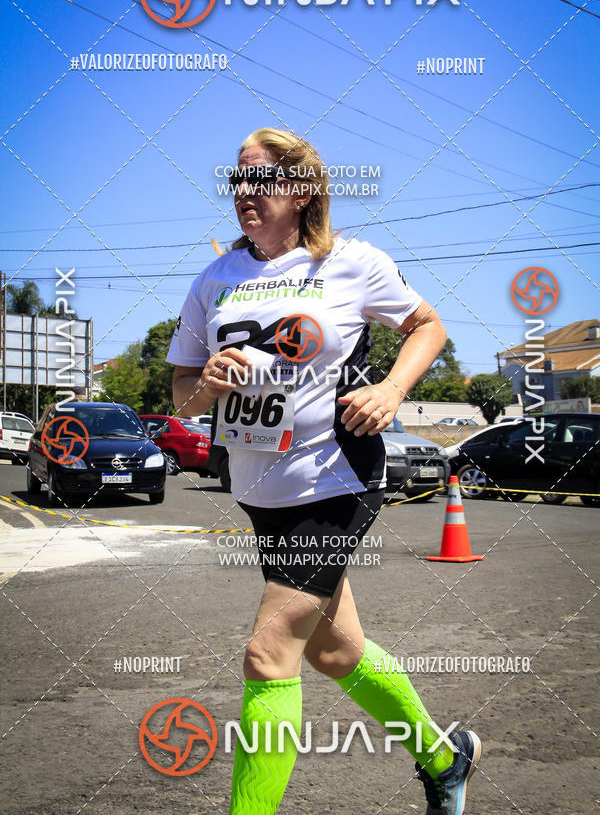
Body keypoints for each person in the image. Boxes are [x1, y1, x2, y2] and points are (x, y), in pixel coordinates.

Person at [167, 127, 482, 815]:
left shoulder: (350, 262)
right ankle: (444, 756)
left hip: (335, 476)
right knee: (337, 652)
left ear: (303, 189)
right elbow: (182, 394)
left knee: (269, 651)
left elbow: (427, 325)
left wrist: (393, 390)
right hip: (260, 490)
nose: (245, 194)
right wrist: (207, 384)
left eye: (262, 180)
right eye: (237, 181)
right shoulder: (214, 280)